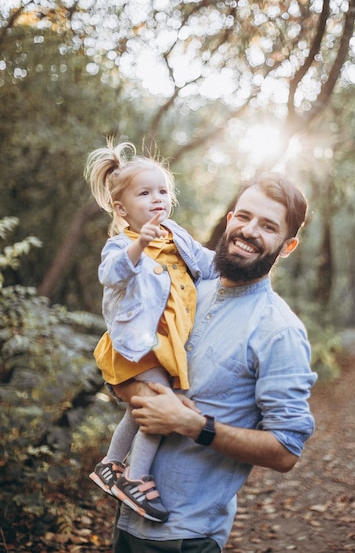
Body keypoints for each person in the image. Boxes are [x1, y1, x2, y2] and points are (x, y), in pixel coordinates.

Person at [112, 171, 318, 553]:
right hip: (126, 520)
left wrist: (193, 425)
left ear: (287, 247)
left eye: (268, 226)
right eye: (244, 217)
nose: (249, 231)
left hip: (187, 537)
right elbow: (118, 370)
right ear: (229, 220)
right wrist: (144, 391)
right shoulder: (183, 289)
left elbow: (286, 450)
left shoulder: (279, 331)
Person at [84, 139, 216, 523]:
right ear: (122, 209)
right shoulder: (121, 243)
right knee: (161, 407)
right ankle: (136, 479)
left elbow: (209, 264)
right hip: (136, 348)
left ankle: (110, 464)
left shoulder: (176, 236)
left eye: (163, 191)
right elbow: (109, 276)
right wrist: (138, 246)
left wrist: (244, 267)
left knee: (139, 409)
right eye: (145, 193)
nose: (157, 199)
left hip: (164, 348)